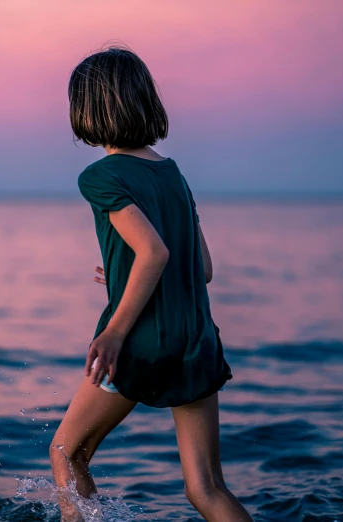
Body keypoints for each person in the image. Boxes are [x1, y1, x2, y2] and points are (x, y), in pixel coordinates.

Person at [49, 45, 253, 522]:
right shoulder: (173, 173)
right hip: (196, 340)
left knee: (66, 453)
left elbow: (155, 253)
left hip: (142, 341)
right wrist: (123, 271)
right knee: (206, 487)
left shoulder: (100, 176)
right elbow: (199, 267)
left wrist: (115, 331)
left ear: (87, 110)